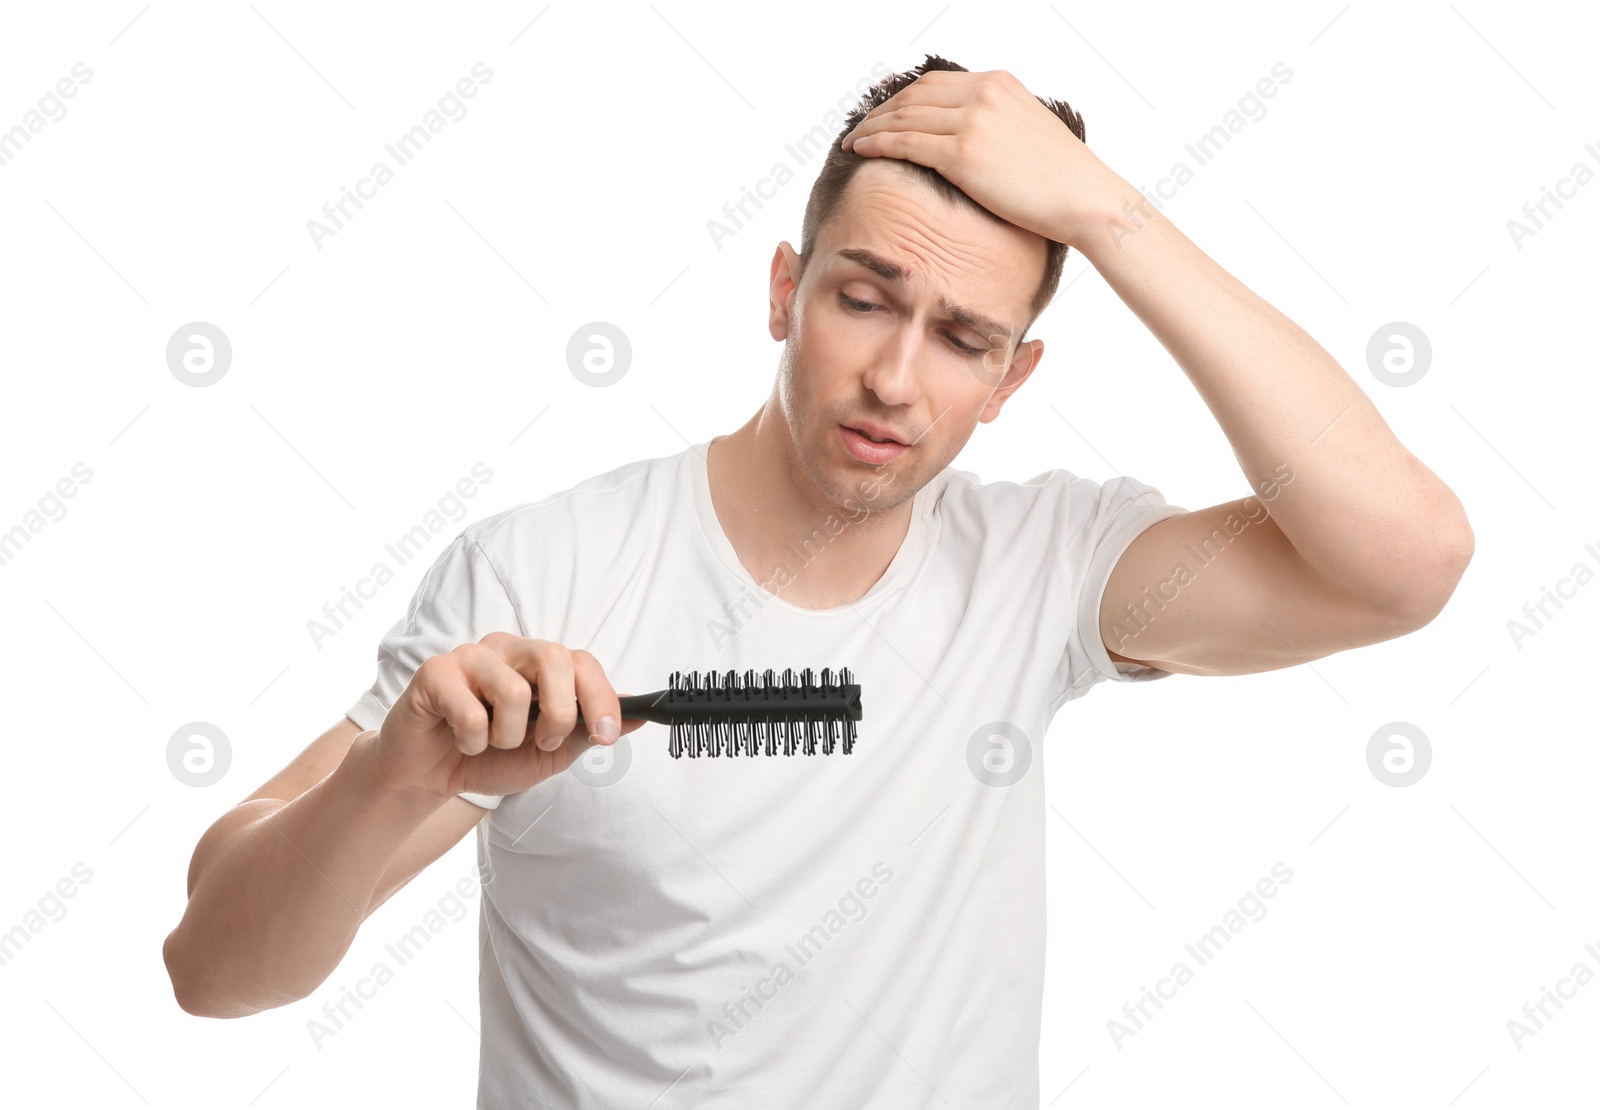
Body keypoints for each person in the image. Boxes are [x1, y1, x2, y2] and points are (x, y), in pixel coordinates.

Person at [161, 54, 1473, 1108]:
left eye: (964, 338)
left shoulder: (1047, 571)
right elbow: (215, 969)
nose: (897, 380)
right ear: (785, 290)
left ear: (1013, 380)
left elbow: (1407, 560)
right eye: (864, 298)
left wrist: (1109, 213)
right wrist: (397, 773)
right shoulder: (546, 569)